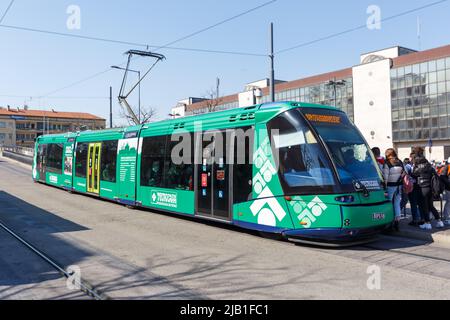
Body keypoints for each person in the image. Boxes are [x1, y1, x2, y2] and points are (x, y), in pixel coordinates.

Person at [412, 151, 445, 230]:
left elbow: (413, 175)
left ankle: (427, 223)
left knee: (424, 207)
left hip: (422, 188)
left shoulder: (417, 167)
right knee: (431, 206)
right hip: (431, 188)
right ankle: (439, 221)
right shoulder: (430, 166)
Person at [382, 149, 405, 231]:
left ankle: (389, 222)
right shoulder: (400, 162)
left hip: (390, 186)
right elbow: (404, 173)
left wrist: (384, 188)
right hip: (399, 186)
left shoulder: (387, 163)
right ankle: (397, 222)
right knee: (397, 204)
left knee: (389, 204)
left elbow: (385, 178)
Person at [405, 153, 422, 226]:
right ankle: (422, 218)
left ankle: (415, 220)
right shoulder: (421, 165)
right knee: (420, 203)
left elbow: (405, 176)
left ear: (411, 158)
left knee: (413, 204)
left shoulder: (408, 166)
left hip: (412, 186)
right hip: (420, 186)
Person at [440, 157, 450, 226]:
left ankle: (446, 218)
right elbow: (442, 177)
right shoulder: (446, 167)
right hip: (448, 188)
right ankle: (446, 218)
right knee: (449, 202)